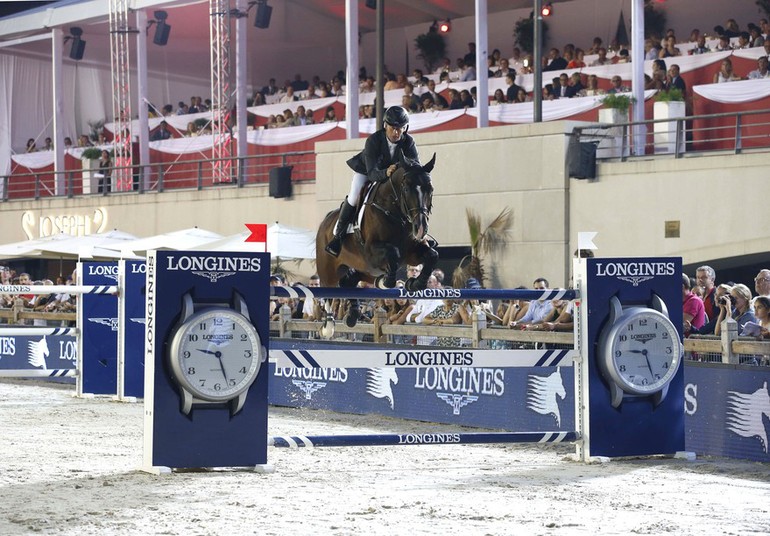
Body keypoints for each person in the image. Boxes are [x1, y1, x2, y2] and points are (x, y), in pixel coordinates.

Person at [324, 106, 419, 257]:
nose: (396, 133)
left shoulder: (409, 142)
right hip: (367, 172)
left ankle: (419, 233)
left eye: (400, 129)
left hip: (392, 176)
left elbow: (414, 166)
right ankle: (338, 236)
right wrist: (386, 172)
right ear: (385, 125)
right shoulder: (374, 140)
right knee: (354, 196)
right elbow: (373, 173)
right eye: (393, 128)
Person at [682, 273, 705, 337]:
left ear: (682, 287)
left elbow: (680, 325)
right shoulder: (683, 301)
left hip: (692, 343)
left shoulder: (694, 301)